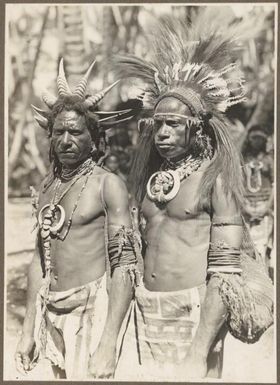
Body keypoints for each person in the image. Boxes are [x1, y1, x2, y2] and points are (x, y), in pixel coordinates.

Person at [114, 15, 273, 381]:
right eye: (158, 124)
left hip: (194, 313)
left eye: (174, 124)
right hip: (146, 311)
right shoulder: (147, 182)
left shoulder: (215, 182)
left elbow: (225, 273)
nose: (163, 132)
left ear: (196, 129)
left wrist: (199, 351)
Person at [15, 59, 140, 380]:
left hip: (91, 312)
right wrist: (27, 328)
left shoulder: (107, 184)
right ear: (50, 136)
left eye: (76, 132)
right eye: (59, 132)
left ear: (94, 138)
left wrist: (109, 340)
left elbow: (124, 263)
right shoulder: (47, 186)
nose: (67, 140)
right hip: (49, 310)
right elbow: (38, 259)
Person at [242, 125, 274, 276]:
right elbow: (236, 184)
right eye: (254, 138)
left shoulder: (270, 160)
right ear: (249, 139)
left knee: (262, 247)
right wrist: (244, 207)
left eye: (260, 139)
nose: (257, 142)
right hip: (246, 207)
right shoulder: (242, 159)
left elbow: (275, 185)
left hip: (264, 208)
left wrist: (267, 207)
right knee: (247, 248)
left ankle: (264, 281)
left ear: (265, 140)